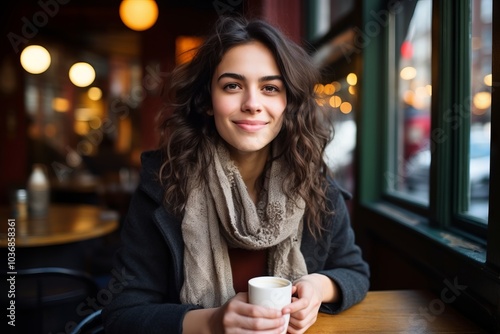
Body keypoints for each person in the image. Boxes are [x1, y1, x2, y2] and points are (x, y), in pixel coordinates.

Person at [102, 15, 369, 334]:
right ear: (207, 102)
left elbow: (354, 271)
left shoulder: (313, 182)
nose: (253, 103)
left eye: (270, 88)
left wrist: (318, 286)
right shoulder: (163, 186)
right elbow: (121, 317)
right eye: (232, 86)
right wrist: (211, 322)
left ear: (289, 103)